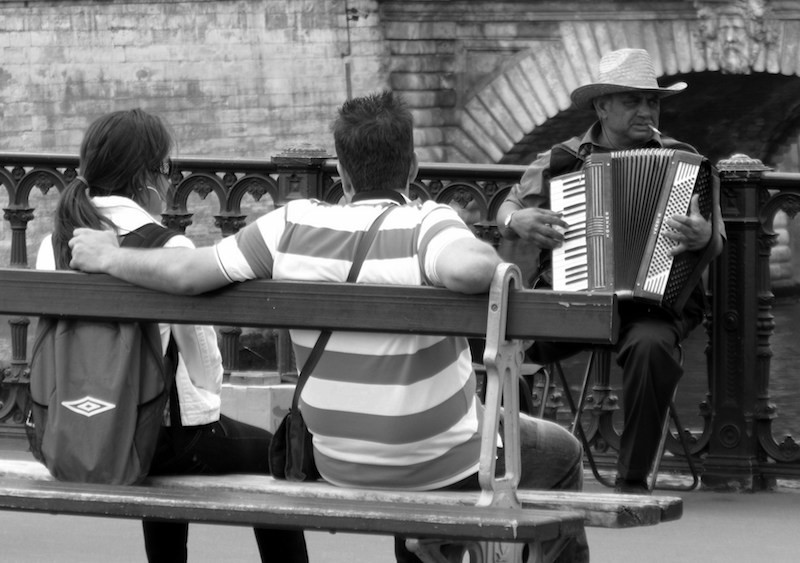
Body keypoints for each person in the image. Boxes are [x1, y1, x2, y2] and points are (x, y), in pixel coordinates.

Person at [67, 92, 589, 562]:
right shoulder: (429, 222)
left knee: (420, 445)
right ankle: (438, 542)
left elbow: (184, 274)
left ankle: (433, 543)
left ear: (340, 169)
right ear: (411, 166)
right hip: (441, 465)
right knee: (560, 452)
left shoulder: (290, 224)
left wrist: (111, 257)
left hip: (334, 459)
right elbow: (474, 270)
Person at [36, 109, 308, 563]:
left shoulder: (57, 241)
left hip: (73, 430)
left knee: (154, 423)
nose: (169, 183)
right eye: (166, 171)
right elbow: (204, 373)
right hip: (153, 440)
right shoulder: (170, 248)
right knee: (271, 454)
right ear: (145, 178)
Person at [496, 48, 724, 494]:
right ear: (602, 107)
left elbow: (716, 241)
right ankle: (517, 464)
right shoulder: (562, 160)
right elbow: (509, 204)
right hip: (574, 298)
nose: (646, 111)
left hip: (655, 305)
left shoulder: (685, 161)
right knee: (502, 343)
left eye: (652, 102)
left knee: (652, 349)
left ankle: (632, 482)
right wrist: (515, 221)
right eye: (632, 101)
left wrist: (702, 238)